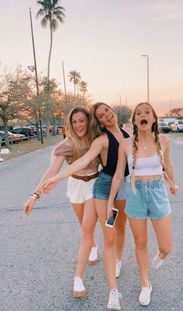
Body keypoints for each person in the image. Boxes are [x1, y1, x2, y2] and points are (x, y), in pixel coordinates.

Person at [41, 102, 130, 310]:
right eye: (100, 115)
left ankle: (117, 259)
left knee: (120, 228)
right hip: (102, 187)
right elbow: (82, 162)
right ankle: (112, 291)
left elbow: (133, 164)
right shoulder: (100, 140)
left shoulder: (127, 135)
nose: (106, 115)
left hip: (123, 185)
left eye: (107, 110)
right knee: (103, 234)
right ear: (98, 121)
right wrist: (57, 178)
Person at [106, 102, 179, 306]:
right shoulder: (126, 144)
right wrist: (110, 200)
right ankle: (145, 284)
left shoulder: (163, 140)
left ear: (154, 118)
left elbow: (168, 165)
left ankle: (162, 254)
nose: (143, 115)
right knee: (140, 244)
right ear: (135, 121)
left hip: (158, 193)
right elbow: (119, 174)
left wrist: (172, 183)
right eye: (138, 113)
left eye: (147, 112)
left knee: (167, 246)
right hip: (136, 194)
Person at [23, 106, 100, 298]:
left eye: (82, 120)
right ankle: (93, 244)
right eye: (74, 122)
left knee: (86, 231)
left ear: (88, 121)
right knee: (84, 226)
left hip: (95, 186)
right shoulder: (66, 145)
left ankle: (78, 278)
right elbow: (52, 171)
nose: (78, 125)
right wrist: (34, 195)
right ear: (69, 124)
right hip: (75, 187)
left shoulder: (96, 139)